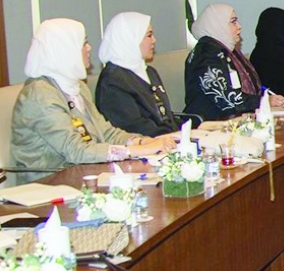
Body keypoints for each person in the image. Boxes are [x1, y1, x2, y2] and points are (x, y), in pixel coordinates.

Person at [12, 19, 175, 183]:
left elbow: (105, 131)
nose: (89, 48)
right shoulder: (40, 95)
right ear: (63, 50)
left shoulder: (78, 88)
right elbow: (76, 151)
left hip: (86, 173)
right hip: (50, 183)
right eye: (83, 43)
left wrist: (140, 141)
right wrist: (138, 150)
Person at [184, 4, 283, 120]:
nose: (239, 26)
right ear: (217, 24)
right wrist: (264, 101)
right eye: (233, 22)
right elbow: (227, 99)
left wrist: (268, 98)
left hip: (232, 120)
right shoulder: (206, 54)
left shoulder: (226, 50)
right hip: (210, 124)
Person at [94, 12, 181, 137]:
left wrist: (194, 128)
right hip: (145, 144)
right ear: (130, 39)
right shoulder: (112, 81)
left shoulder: (149, 72)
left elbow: (166, 117)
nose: (154, 40)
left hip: (166, 139)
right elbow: (133, 127)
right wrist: (175, 136)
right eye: (149, 35)